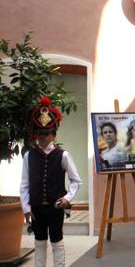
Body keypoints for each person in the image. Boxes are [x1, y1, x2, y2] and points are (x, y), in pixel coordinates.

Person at [19, 96, 82, 267]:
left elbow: (76, 181)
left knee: (56, 241)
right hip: (36, 208)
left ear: (54, 134)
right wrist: (26, 207)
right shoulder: (28, 156)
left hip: (56, 208)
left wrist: (67, 198)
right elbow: (24, 185)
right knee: (39, 242)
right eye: (40, 133)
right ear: (35, 135)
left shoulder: (63, 156)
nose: (43, 137)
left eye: (47, 133)